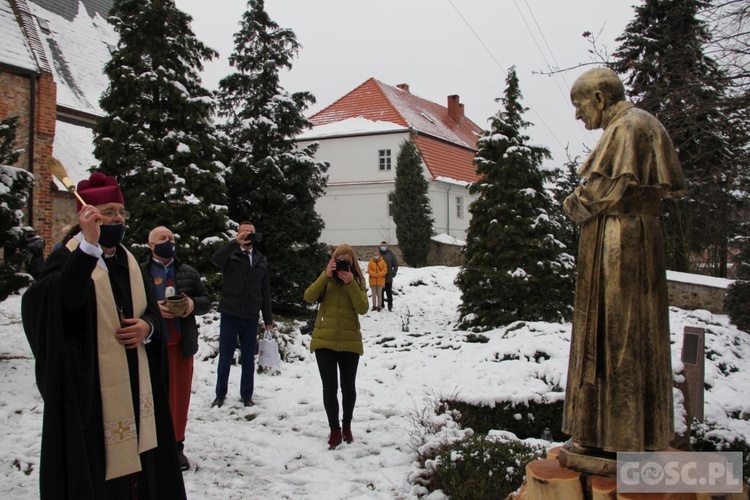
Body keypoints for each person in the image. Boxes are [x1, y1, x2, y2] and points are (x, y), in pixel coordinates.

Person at [21, 172, 186, 499]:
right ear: (87, 214)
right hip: (93, 395)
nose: (117, 219)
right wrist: (89, 246)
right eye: (108, 211)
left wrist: (147, 327)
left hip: (137, 388)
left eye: (120, 212)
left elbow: (150, 310)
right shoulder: (69, 258)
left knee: (144, 469)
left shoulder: (128, 261)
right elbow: (60, 303)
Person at [561, 67, 686, 454]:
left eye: (580, 105)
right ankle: (634, 434)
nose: (578, 115)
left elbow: (595, 195)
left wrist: (570, 204)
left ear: (599, 98)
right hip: (635, 238)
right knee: (632, 333)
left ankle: (614, 438)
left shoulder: (627, 128)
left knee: (617, 333)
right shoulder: (643, 124)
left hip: (618, 241)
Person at [141, 226, 211, 471]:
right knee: (151, 399)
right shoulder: (140, 272)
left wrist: (192, 304)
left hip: (180, 345)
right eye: (162, 238)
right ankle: (151, 447)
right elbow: (128, 305)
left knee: (178, 400)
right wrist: (152, 308)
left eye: (171, 238)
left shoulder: (187, 272)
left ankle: (176, 447)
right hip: (150, 346)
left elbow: (206, 300)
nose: (168, 241)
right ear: (151, 245)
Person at [304, 244, 369, 449]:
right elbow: (308, 296)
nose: (343, 265)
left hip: (350, 342)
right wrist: (325, 275)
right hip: (325, 340)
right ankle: (334, 430)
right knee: (329, 387)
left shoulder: (358, 280)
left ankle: (346, 425)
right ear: (333, 260)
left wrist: (351, 284)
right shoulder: (327, 278)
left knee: (348, 388)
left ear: (353, 263)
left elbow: (363, 308)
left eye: (347, 262)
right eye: (339, 260)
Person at [211, 221, 273, 408]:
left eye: (251, 232)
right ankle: (220, 393)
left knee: (248, 357)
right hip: (230, 311)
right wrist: (234, 243)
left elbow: (265, 290)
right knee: (226, 355)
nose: (247, 235)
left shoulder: (261, 260)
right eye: (244, 232)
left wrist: (268, 318)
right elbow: (215, 259)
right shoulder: (231, 254)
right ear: (238, 234)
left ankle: (247, 394)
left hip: (250, 314)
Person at [378, 241, 398, 311]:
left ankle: (390, 305)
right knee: (380, 292)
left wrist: (394, 273)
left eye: (384, 245)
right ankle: (381, 304)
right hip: (380, 277)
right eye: (382, 245)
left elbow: (395, 264)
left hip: (388, 276)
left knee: (389, 292)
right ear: (380, 246)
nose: (383, 247)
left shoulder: (391, 255)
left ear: (387, 246)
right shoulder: (378, 254)